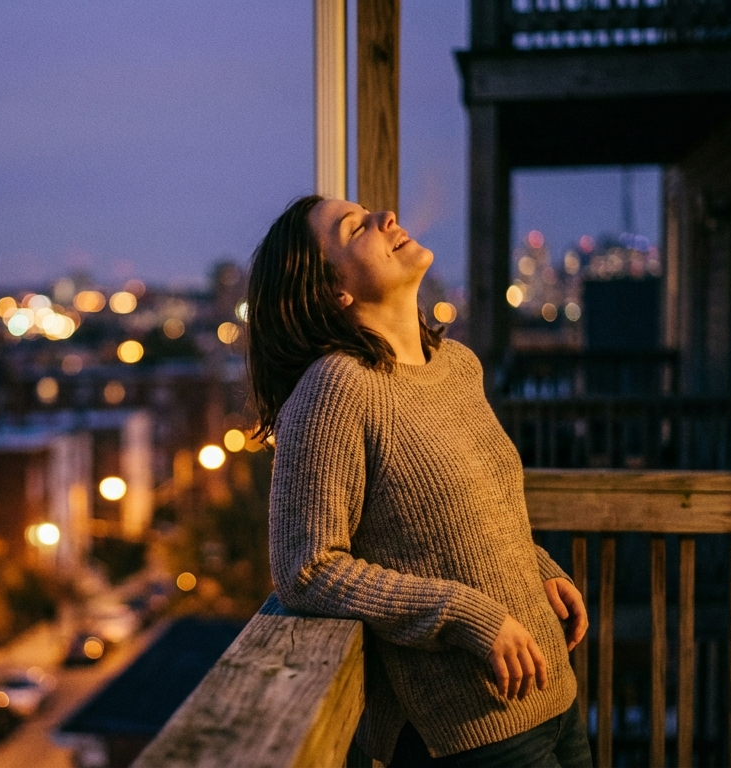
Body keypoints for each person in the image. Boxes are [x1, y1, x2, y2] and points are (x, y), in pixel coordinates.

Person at [247, 195, 592, 767]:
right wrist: (465, 615)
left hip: (555, 688)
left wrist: (538, 568)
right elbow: (306, 569)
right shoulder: (336, 388)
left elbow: (478, 508)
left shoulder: (456, 365)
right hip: (473, 724)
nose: (385, 218)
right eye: (355, 227)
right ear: (334, 290)